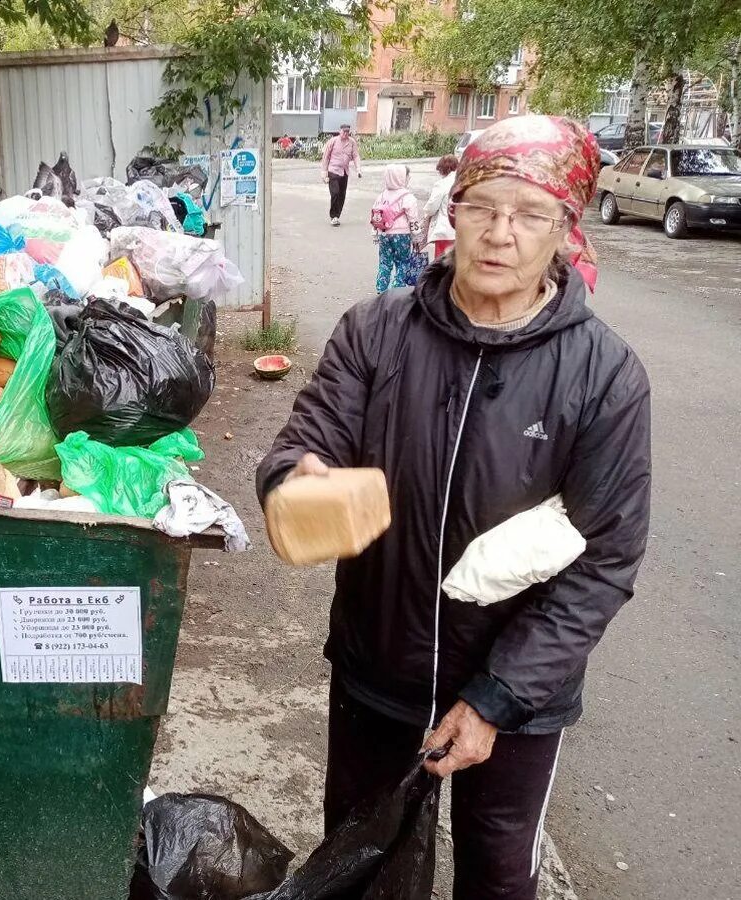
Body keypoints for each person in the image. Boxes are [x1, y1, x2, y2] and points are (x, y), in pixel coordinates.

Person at [256, 115, 650, 899]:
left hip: (517, 698)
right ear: (453, 211)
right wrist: (290, 489)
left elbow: (605, 559)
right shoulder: (376, 332)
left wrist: (496, 698)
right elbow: (304, 443)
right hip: (380, 669)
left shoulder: (604, 376)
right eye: (483, 207)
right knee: (364, 865)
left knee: (498, 877)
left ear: (565, 232)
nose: (501, 233)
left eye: (530, 214)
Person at [370, 164, 424, 292]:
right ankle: (397, 291)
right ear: (401, 178)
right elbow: (413, 219)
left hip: (383, 234)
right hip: (402, 236)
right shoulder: (407, 197)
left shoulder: (382, 196)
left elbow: (375, 216)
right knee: (402, 263)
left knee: (385, 263)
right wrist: (417, 236)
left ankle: (381, 290)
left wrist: (375, 234)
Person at [321, 123, 362, 226]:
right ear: (340, 131)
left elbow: (356, 156)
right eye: (344, 131)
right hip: (333, 171)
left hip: (344, 172)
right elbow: (326, 156)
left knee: (342, 195)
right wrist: (324, 173)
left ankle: (337, 216)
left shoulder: (352, 142)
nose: (346, 133)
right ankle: (333, 216)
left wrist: (358, 169)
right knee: (335, 192)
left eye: (348, 132)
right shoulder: (333, 141)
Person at [424, 154, 460, 259]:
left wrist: (426, 213)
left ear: (443, 169)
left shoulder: (442, 184)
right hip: (462, 230)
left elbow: (431, 207)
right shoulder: (463, 182)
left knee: (442, 266)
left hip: (445, 231)